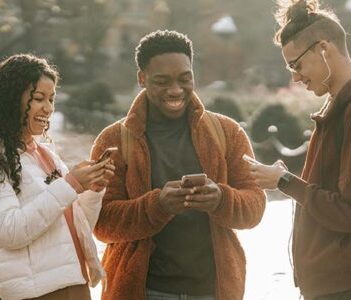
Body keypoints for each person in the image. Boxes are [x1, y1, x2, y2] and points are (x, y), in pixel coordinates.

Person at [91, 30, 266, 300]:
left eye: (185, 79)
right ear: (141, 79)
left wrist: (221, 199)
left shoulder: (227, 132)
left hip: (214, 290)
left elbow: (255, 206)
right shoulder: (114, 140)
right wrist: (156, 206)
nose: (175, 90)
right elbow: (101, 223)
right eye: (162, 81)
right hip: (144, 290)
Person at [249, 1, 351, 299]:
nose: (295, 77)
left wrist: (284, 182)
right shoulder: (342, 105)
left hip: (347, 286)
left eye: (296, 65)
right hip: (333, 283)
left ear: (324, 49)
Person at [0, 54, 114, 300]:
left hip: (74, 283)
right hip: (36, 292)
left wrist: (93, 190)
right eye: (39, 98)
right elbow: (9, 231)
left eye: (52, 99)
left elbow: (76, 226)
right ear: (12, 101)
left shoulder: (47, 156)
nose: (49, 108)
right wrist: (70, 184)